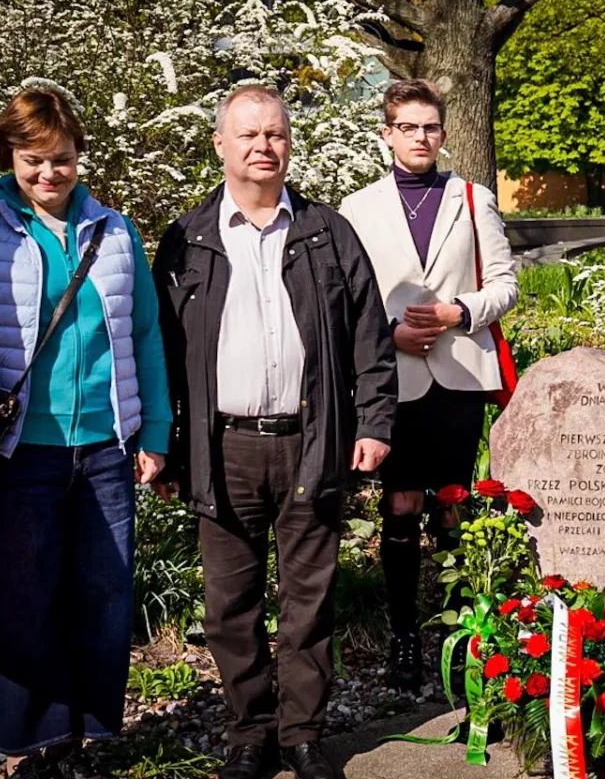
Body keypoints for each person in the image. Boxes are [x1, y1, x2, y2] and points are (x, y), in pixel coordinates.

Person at [154, 84, 397, 779]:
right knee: (231, 606)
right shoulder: (188, 239)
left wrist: (375, 422)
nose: (264, 147)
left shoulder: (326, 232)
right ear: (220, 146)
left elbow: (370, 342)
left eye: (276, 134)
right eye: (250, 135)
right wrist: (168, 449)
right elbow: (164, 351)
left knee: (308, 602)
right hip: (222, 448)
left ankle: (302, 734)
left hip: (310, 441)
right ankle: (249, 734)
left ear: (290, 143)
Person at [0, 84, 171, 776]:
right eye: (32, 159)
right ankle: (30, 741)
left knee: (101, 595)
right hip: (16, 452)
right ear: (10, 156)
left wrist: (153, 431)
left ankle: (88, 734)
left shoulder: (115, 232)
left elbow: (145, 336)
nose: (48, 174)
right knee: (19, 597)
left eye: (61, 159)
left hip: (103, 449)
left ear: (79, 156)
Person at [337, 79, 518, 689]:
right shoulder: (357, 209)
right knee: (400, 502)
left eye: (430, 127)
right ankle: (405, 635)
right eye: (408, 127)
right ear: (387, 134)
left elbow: (505, 284)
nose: (421, 137)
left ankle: (461, 634)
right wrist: (389, 336)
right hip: (395, 378)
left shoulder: (473, 198)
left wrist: (457, 313)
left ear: (443, 132)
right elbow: (347, 301)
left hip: (461, 372)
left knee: (451, 504)